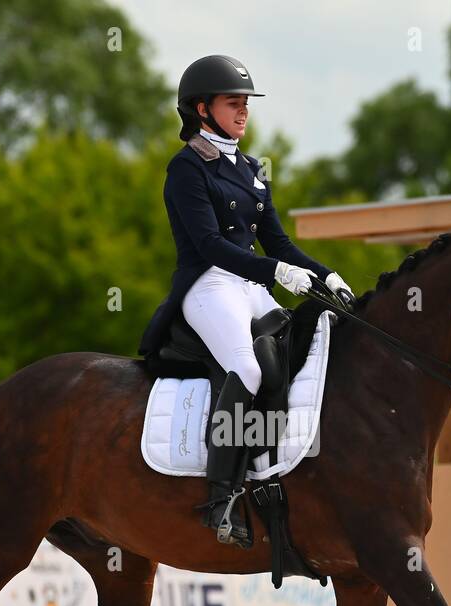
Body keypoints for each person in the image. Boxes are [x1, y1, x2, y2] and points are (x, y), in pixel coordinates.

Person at [139, 54, 353, 547]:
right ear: (200, 108)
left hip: (249, 285)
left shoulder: (251, 168)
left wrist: (326, 274)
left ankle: (276, 470)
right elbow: (212, 245)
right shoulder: (187, 168)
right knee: (250, 370)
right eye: (232, 103)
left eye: (245, 104)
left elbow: (278, 243)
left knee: (307, 346)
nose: (243, 111)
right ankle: (220, 499)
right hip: (210, 285)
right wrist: (277, 274)